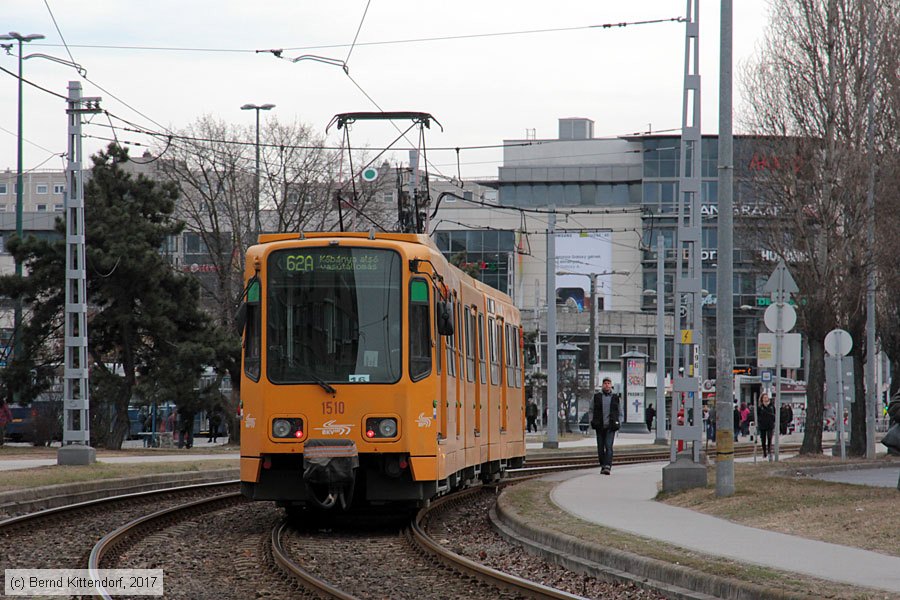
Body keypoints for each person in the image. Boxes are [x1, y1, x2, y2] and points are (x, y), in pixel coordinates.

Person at [590, 377, 620, 475]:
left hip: (611, 427)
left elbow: (620, 411)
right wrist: (592, 421)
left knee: (608, 446)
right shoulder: (596, 397)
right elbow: (591, 410)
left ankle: (607, 466)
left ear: (611, 385)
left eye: (608, 383)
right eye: (605, 383)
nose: (607, 385)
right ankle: (603, 464)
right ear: (602, 385)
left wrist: (619, 422)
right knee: (600, 448)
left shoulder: (615, 397)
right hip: (599, 426)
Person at [757, 393, 776, 460]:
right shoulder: (760, 407)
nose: (765, 399)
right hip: (762, 425)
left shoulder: (771, 406)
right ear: (762, 399)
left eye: (766, 397)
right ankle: (764, 452)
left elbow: (774, 414)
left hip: (770, 425)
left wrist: (773, 421)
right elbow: (757, 415)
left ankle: (769, 451)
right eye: (764, 397)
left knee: (769, 438)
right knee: (763, 439)